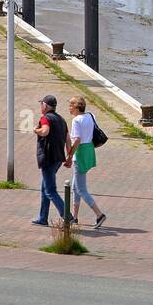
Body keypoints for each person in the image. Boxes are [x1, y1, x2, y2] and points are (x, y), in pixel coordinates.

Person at [64, 96, 106, 228]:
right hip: (89, 151)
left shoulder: (76, 120)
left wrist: (70, 155)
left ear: (76, 107)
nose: (69, 107)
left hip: (80, 153)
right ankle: (74, 217)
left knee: (81, 189)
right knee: (75, 187)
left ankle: (99, 214)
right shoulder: (90, 115)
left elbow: (76, 140)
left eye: (70, 105)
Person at [32, 95, 68, 226]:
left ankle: (67, 215)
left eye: (41, 104)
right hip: (58, 158)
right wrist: (69, 156)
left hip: (48, 157)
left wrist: (36, 130)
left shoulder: (45, 118)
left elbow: (45, 132)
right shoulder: (62, 120)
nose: (41, 106)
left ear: (45, 106)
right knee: (44, 188)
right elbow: (68, 138)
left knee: (50, 190)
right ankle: (43, 218)